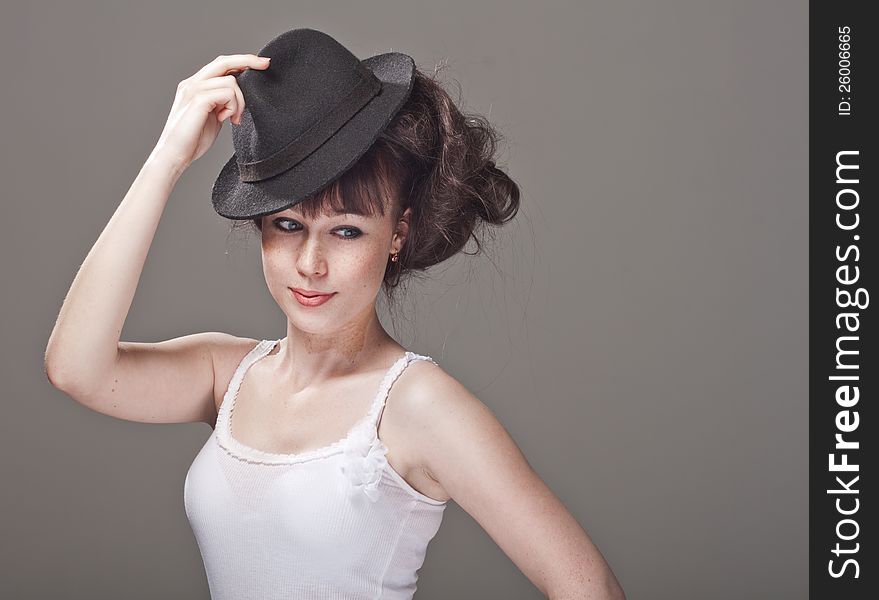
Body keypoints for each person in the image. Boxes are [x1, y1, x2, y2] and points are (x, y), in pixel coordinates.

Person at [44, 28, 625, 600]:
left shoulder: (417, 406)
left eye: (346, 231)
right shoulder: (227, 376)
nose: (311, 264)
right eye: (288, 226)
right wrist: (168, 156)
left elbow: (587, 587)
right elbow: (76, 368)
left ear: (396, 236)